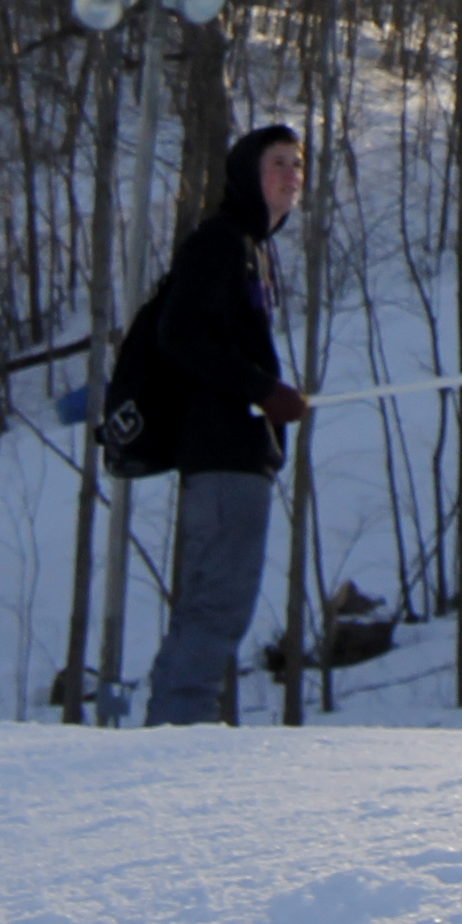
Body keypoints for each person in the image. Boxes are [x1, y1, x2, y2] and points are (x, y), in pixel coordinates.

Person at [143, 124, 313, 727]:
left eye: (297, 164)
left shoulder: (253, 250)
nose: (292, 175)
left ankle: (179, 719)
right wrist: (263, 391)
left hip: (238, 456)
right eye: (277, 163)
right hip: (222, 456)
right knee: (218, 604)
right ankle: (177, 727)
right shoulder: (222, 242)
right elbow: (181, 335)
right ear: (246, 173)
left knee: (215, 603)